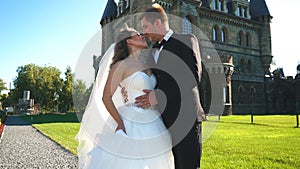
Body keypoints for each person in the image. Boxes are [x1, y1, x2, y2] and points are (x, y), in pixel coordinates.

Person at [76, 27, 175, 169]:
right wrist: (120, 123)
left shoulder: (147, 65)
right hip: (131, 120)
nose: (143, 36)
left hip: (153, 120)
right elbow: (106, 97)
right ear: (129, 41)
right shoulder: (121, 65)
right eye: (138, 35)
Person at [135, 3, 206, 169]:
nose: (144, 32)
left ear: (158, 23)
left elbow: (191, 78)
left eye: (146, 26)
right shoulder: (152, 53)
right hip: (163, 123)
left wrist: (158, 96)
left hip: (186, 119)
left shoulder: (187, 40)